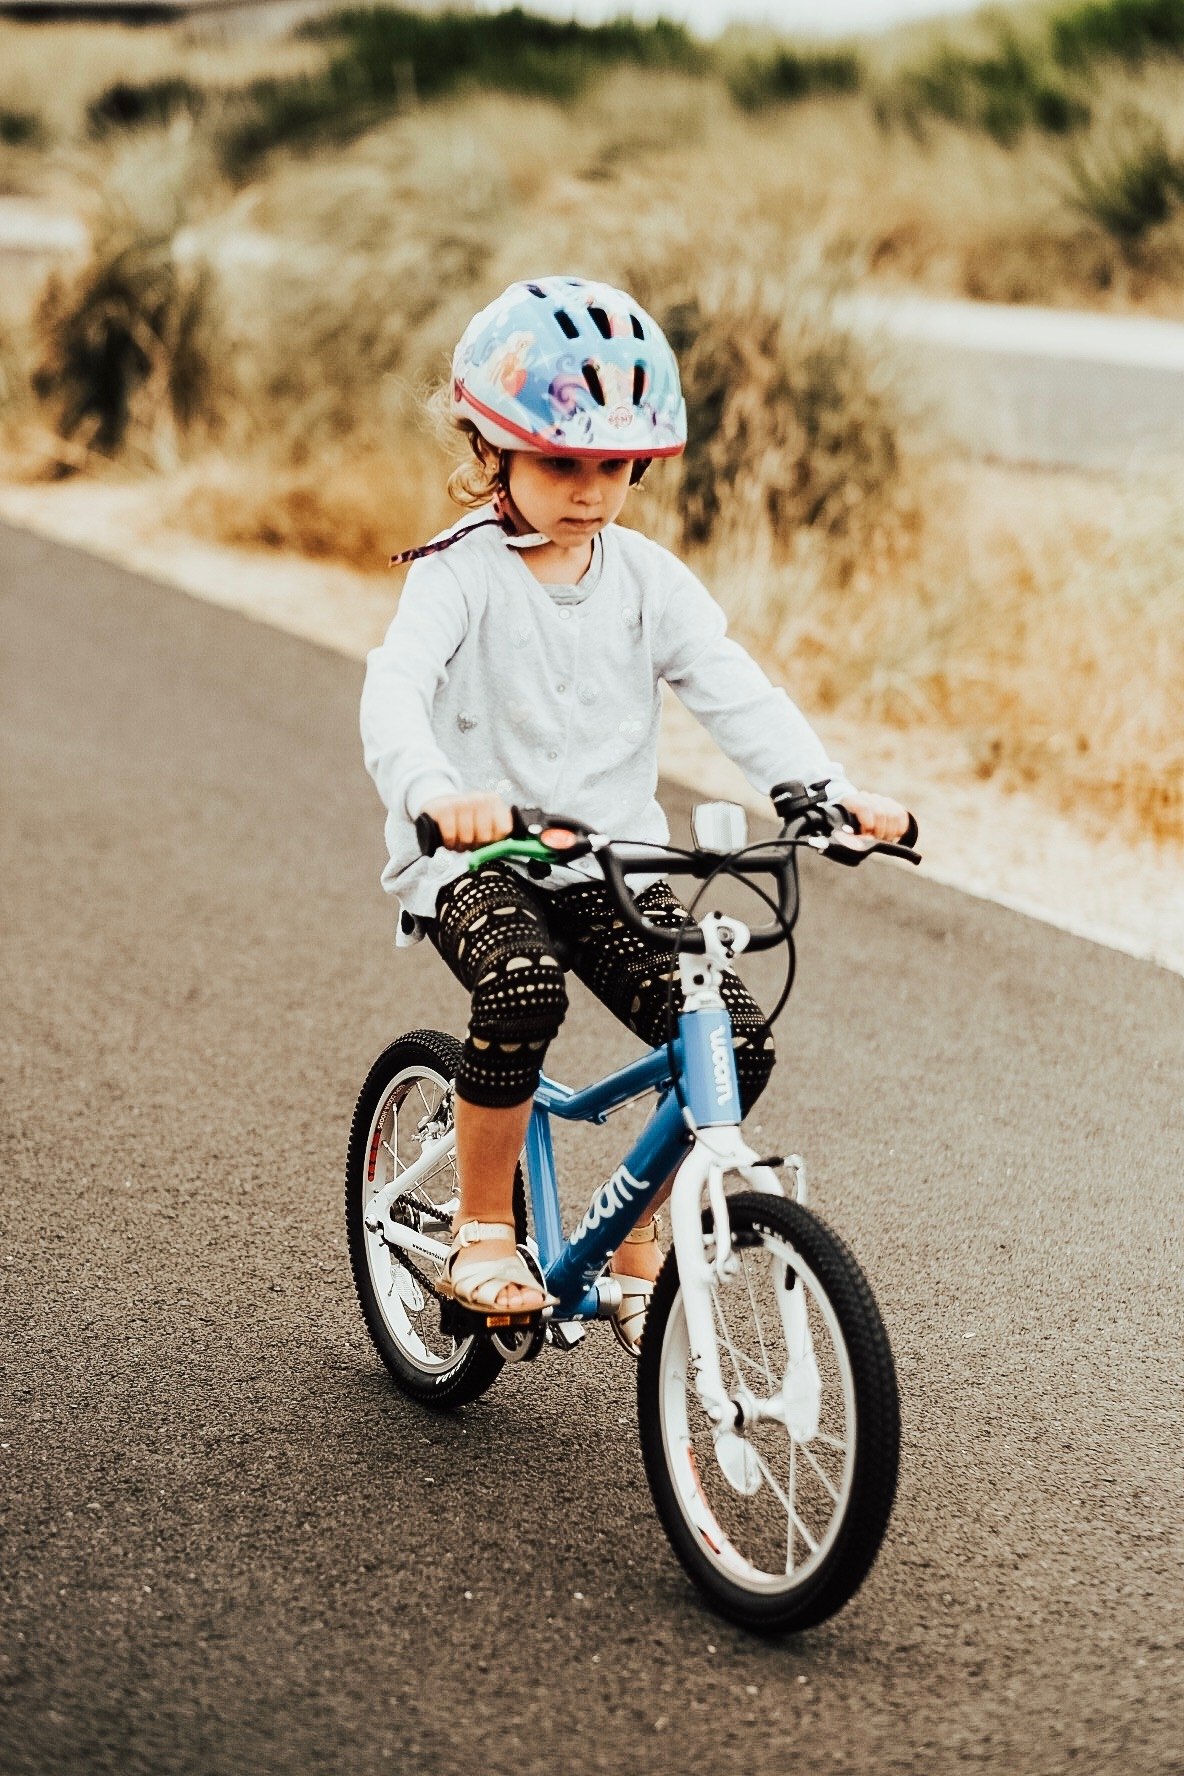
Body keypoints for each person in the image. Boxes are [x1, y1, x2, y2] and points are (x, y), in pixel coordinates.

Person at [360, 275, 908, 1349]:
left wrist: (824, 791)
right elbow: (394, 692)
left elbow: (729, 686)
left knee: (732, 1043)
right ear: (489, 447)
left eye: (616, 466)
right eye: (563, 461)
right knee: (521, 986)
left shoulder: (649, 581)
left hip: (607, 860)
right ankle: (480, 1226)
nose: (592, 489)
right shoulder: (455, 576)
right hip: (478, 859)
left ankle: (633, 1240)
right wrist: (433, 795)